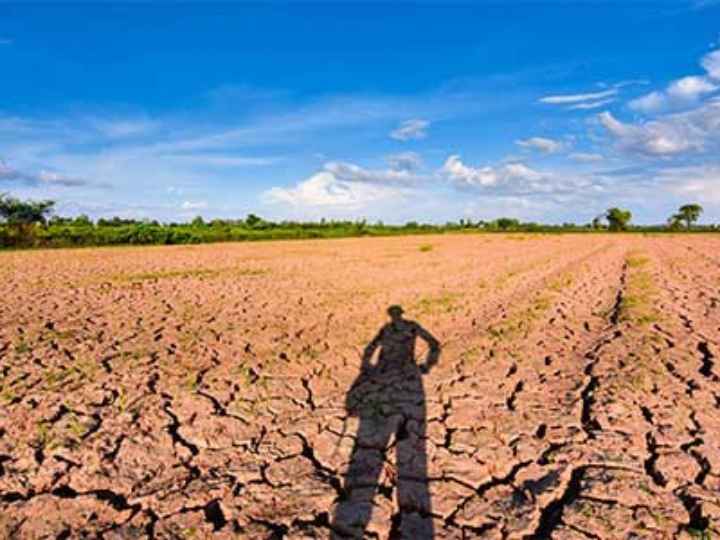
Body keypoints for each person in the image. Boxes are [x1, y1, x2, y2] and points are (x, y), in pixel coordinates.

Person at [332, 305, 440, 539]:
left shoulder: (393, 328)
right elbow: (433, 344)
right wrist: (427, 365)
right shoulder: (411, 327)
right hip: (407, 376)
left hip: (392, 374)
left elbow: (371, 349)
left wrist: (366, 367)